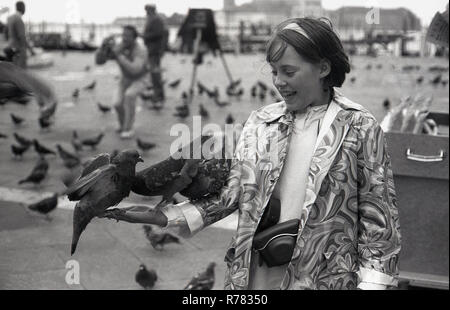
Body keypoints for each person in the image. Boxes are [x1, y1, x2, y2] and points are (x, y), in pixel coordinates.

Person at [100, 17, 401, 290]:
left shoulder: (360, 126)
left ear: (323, 68)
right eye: (274, 72)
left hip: (325, 278)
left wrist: (373, 284)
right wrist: (166, 218)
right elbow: (232, 194)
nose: (278, 81)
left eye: (289, 71)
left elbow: (379, 220)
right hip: (255, 273)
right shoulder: (261, 122)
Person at [95, 25, 148, 139]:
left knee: (130, 95)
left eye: (128, 36)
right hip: (125, 79)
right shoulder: (120, 46)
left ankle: (129, 128)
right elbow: (99, 62)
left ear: (135, 38)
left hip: (140, 79)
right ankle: (123, 124)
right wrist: (103, 48)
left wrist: (119, 56)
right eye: (123, 35)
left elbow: (135, 69)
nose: (125, 38)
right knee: (117, 104)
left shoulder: (141, 50)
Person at [143, 4, 166, 107]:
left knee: (155, 73)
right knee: (154, 73)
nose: (146, 12)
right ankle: (157, 93)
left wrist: (145, 36)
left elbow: (159, 33)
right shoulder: (152, 19)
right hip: (151, 49)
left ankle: (159, 94)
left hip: (154, 50)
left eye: (147, 10)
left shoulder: (156, 19)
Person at [6, 1, 35, 68]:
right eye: (24, 7)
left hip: (11, 47)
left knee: (12, 70)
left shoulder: (10, 18)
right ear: (22, 8)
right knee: (20, 71)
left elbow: (6, 33)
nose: (25, 10)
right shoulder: (19, 20)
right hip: (19, 50)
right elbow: (22, 37)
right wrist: (31, 50)